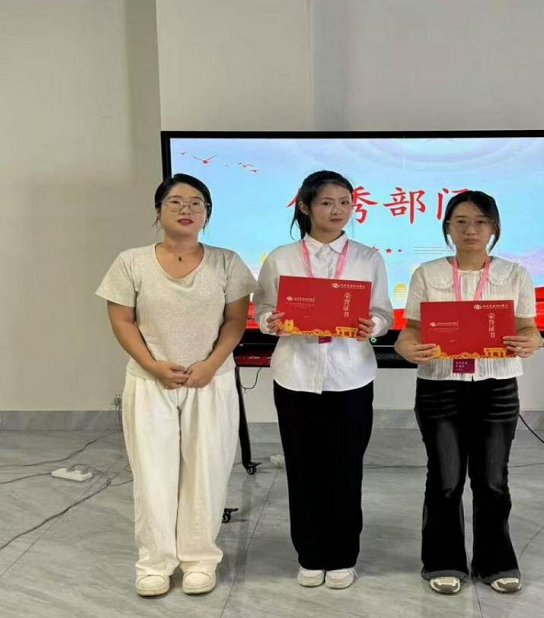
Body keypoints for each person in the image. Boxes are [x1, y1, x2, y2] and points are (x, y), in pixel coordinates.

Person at [96, 173, 258, 597]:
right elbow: (122, 320)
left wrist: (211, 364)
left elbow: (235, 321)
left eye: (196, 203)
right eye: (176, 202)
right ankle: (154, 562)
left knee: (207, 471)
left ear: (207, 214)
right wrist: (152, 365)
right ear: (158, 210)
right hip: (151, 382)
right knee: (153, 473)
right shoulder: (131, 262)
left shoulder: (227, 262)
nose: (187, 209)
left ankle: (200, 559)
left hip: (211, 381)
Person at [394, 190, 541, 595]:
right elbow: (411, 331)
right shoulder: (427, 274)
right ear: (448, 227)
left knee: (493, 479)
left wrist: (532, 341)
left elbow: (529, 327)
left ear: (494, 227)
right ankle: (443, 559)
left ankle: (496, 560)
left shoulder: (515, 275)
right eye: (460, 221)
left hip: (497, 386)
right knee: (445, 478)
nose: (470, 229)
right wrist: (406, 348)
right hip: (439, 386)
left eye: (480, 221)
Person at [253, 170, 394, 590]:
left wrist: (374, 325)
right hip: (295, 376)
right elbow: (262, 309)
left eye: (345, 202)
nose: (338, 211)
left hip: (351, 376)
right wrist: (270, 321)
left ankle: (343, 555)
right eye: (327, 202)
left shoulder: (369, 258)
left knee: (346, 468)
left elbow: (383, 313)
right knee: (302, 468)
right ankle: (310, 554)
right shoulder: (281, 258)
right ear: (305, 206)